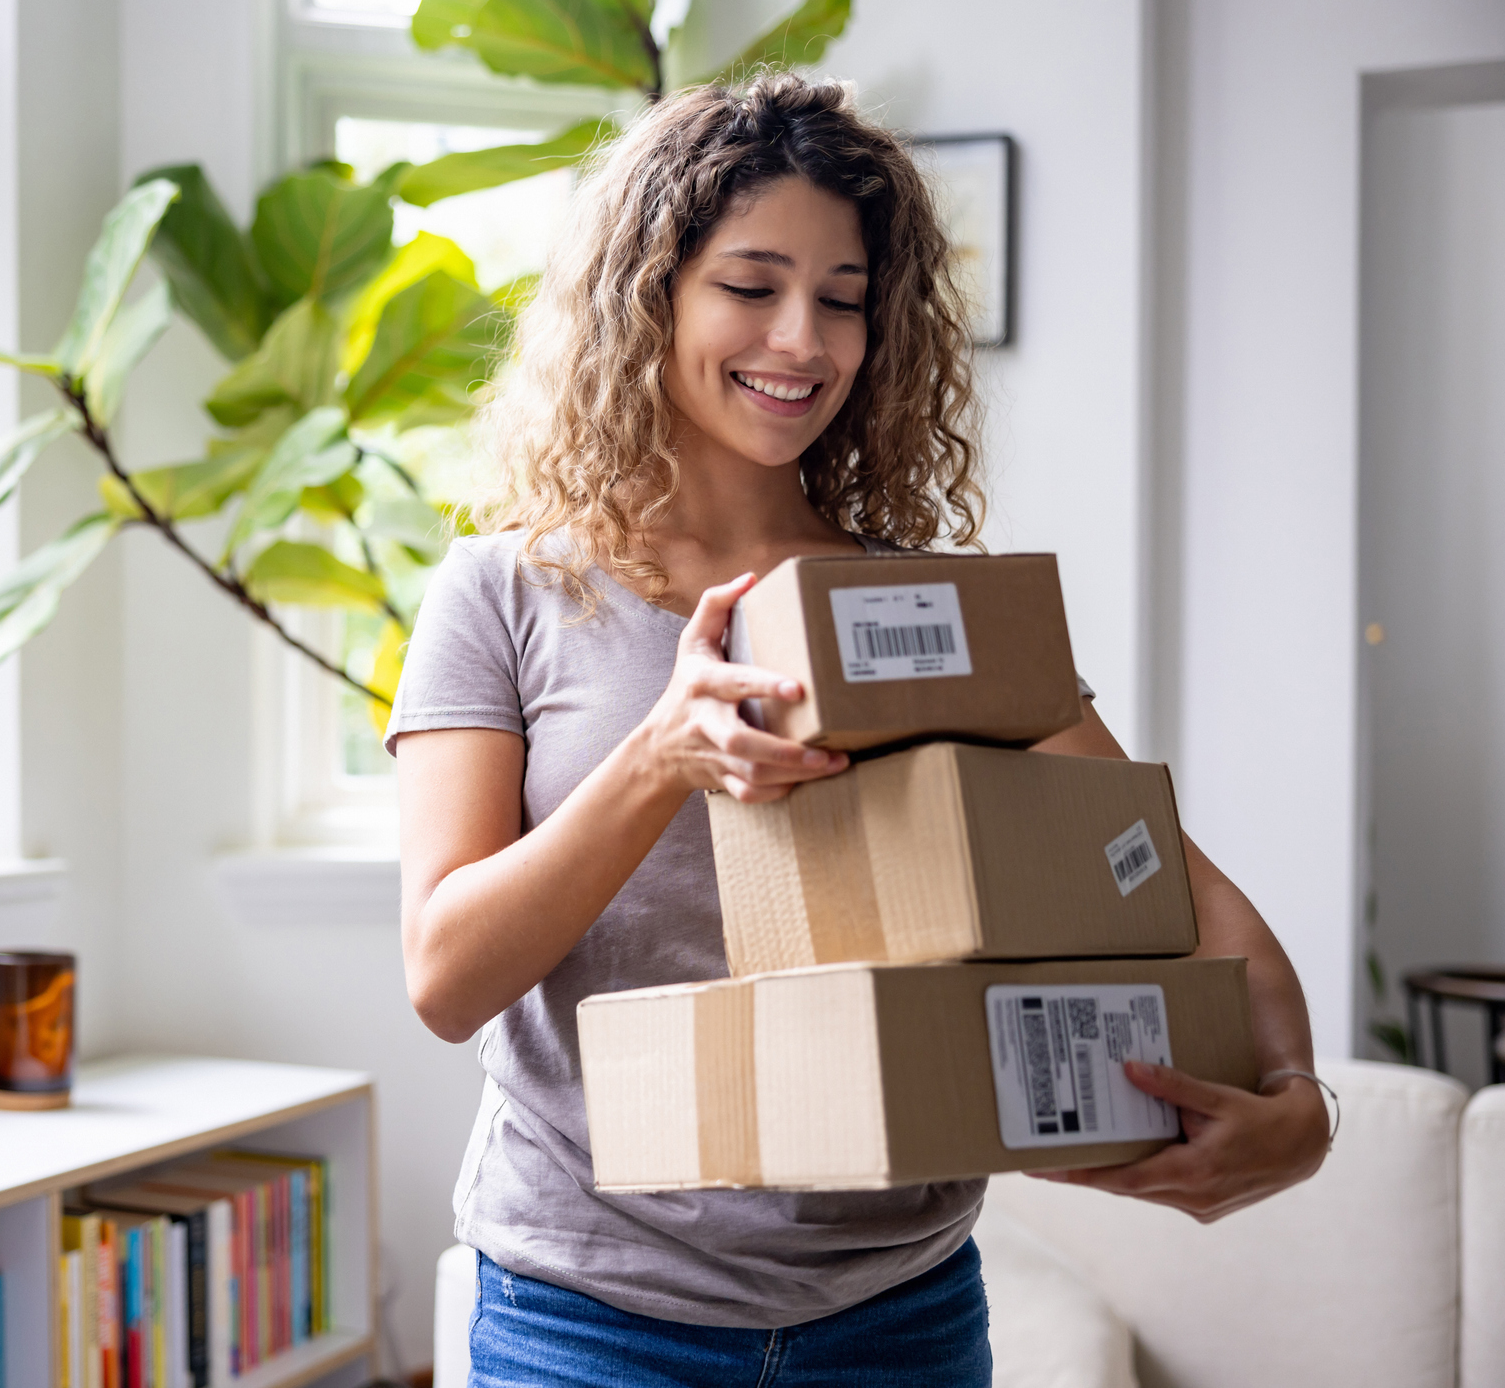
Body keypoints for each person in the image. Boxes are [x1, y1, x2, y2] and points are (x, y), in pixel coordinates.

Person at [386, 72, 1331, 1387]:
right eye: (752, 284)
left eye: (842, 300)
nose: (804, 340)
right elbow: (446, 975)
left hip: (897, 1317)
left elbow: (1160, 877)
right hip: (591, 1316)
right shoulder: (507, 592)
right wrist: (661, 751)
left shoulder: (916, 615)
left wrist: (1299, 1104)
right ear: (648, 289)